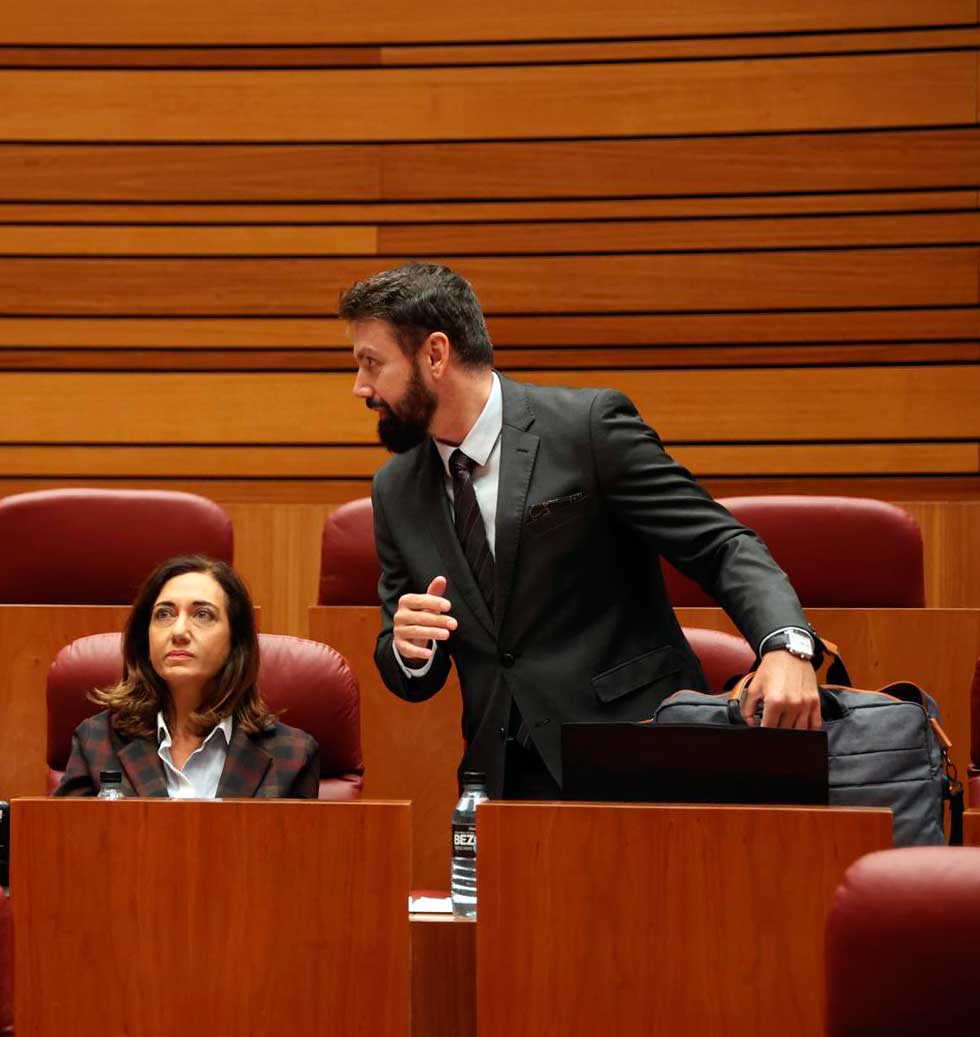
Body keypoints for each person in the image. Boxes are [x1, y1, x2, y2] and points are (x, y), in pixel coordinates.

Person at [344, 262, 821, 800]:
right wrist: (410, 649)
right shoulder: (395, 490)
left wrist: (786, 645)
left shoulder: (588, 429)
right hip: (503, 781)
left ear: (434, 355)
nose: (361, 387)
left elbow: (721, 544)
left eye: (371, 363)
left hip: (637, 754)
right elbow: (406, 669)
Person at [55, 555, 319, 798]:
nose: (179, 631)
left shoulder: (292, 755)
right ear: (145, 638)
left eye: (203, 615)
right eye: (164, 614)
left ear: (235, 642)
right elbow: (63, 842)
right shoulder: (97, 741)